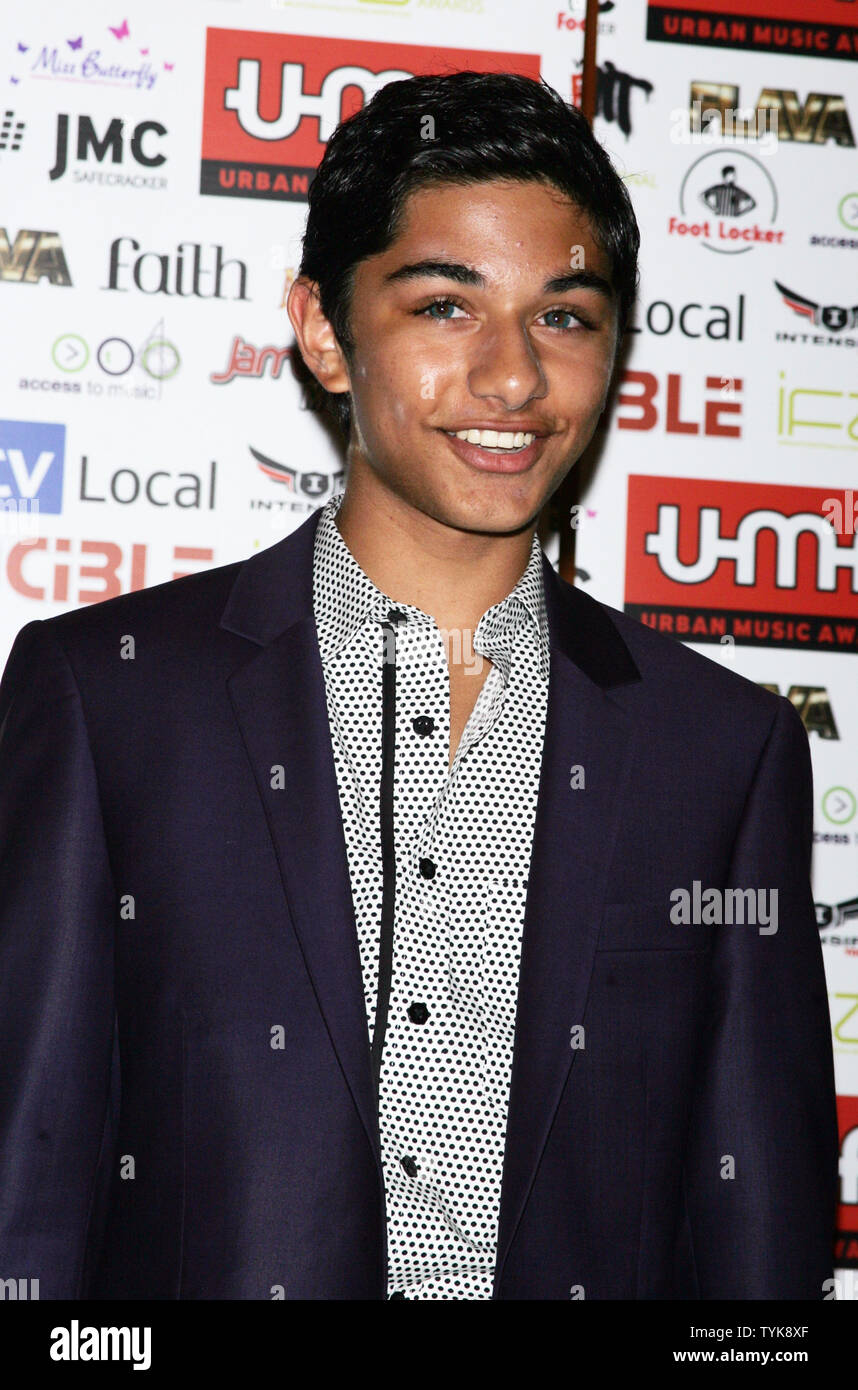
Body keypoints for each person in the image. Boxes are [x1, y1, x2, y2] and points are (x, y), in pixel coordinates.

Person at [0, 72, 838, 1300]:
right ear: (327, 332)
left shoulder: (723, 751)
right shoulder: (110, 701)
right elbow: (28, 1186)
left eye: (564, 317)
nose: (511, 379)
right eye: (447, 307)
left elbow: (761, 1247)